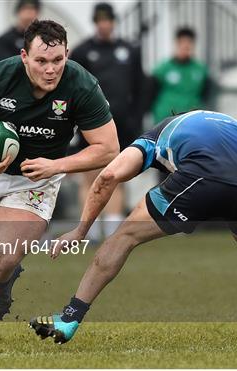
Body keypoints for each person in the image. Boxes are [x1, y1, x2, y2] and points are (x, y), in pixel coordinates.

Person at [30, 110, 237, 349]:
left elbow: (109, 175)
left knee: (124, 236)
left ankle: (69, 318)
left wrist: (80, 231)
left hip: (200, 176)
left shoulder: (154, 136)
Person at [0, 19, 119, 344]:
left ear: (67, 54)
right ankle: (1, 278)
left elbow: (108, 148)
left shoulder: (81, 85)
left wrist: (57, 165)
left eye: (58, 60)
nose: (50, 69)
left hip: (36, 181)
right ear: (25, 57)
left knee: (6, 255)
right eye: (41, 61)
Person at [70, 2, 144, 239]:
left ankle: (113, 230)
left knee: (117, 174)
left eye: (108, 20)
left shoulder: (130, 50)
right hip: (90, 122)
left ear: (113, 22)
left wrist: (136, 118)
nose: (104, 25)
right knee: (90, 175)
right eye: (100, 20)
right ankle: (88, 231)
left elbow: (140, 86)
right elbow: (74, 87)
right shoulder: (82, 51)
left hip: (121, 123)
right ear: (95, 22)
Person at [151, 27, 211, 125]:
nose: (185, 46)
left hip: (191, 121)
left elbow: (206, 94)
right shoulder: (163, 69)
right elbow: (151, 92)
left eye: (189, 43)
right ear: (176, 44)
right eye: (182, 43)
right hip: (166, 120)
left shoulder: (200, 70)